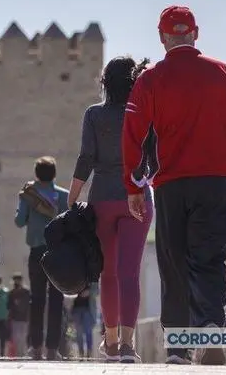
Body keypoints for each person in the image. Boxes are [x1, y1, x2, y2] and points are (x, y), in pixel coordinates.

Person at [122, 5, 226, 366]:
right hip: (215, 183)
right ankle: (210, 329)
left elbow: (132, 134)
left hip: (171, 185)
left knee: (174, 263)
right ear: (195, 34)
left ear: (162, 37)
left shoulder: (150, 79)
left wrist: (133, 185)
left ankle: (179, 350)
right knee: (210, 259)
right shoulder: (223, 73)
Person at [67, 55, 151, 363]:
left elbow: (86, 157)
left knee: (109, 274)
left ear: (105, 83)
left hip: (101, 198)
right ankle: (129, 344)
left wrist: (72, 197)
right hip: (137, 198)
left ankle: (112, 342)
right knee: (129, 273)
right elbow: (151, 159)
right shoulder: (142, 113)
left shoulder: (94, 115)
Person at [14, 156, 69, 360]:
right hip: (58, 253)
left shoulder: (28, 195)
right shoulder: (63, 196)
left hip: (37, 252)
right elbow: (69, 224)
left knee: (36, 299)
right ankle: (53, 348)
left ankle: (35, 347)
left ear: (36, 174)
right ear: (54, 174)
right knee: (56, 299)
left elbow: (19, 221)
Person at [7, 273, 30, 357]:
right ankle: (17, 354)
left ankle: (23, 354)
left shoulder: (26, 292)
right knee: (16, 338)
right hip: (15, 319)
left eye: (18, 280)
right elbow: (8, 306)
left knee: (23, 337)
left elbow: (28, 305)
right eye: (15, 280)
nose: (16, 282)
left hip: (24, 318)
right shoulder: (12, 293)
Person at [71, 286, 96, 359]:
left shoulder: (91, 279)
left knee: (88, 331)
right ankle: (81, 352)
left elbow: (96, 290)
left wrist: (89, 292)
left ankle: (89, 352)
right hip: (76, 308)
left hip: (88, 308)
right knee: (79, 332)